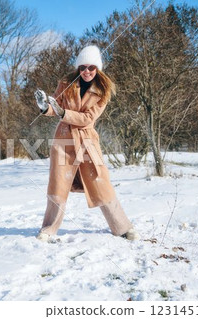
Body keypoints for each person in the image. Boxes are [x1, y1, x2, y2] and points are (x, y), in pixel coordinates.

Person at [34, 45, 139, 243]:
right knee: (57, 185)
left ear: (98, 68)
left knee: (101, 184)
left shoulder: (103, 90)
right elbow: (54, 106)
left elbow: (87, 119)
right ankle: (48, 230)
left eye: (91, 67)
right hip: (64, 141)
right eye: (83, 67)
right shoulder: (66, 83)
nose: (87, 71)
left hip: (87, 142)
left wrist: (62, 112)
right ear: (78, 67)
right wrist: (44, 107)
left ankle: (123, 227)